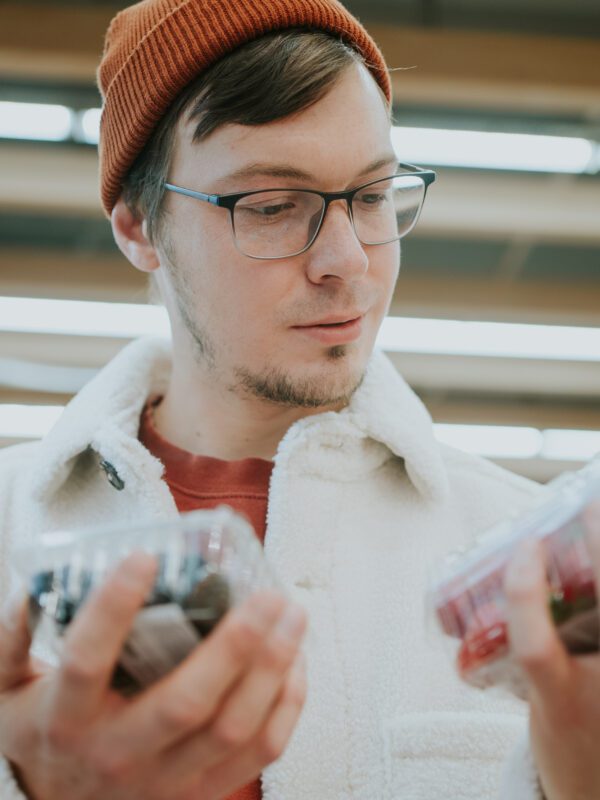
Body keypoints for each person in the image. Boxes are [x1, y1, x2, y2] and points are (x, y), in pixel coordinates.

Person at [1, 1, 599, 798]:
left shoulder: (523, 562)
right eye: (274, 206)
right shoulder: (12, 535)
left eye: (375, 194)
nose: (348, 262)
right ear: (139, 227)